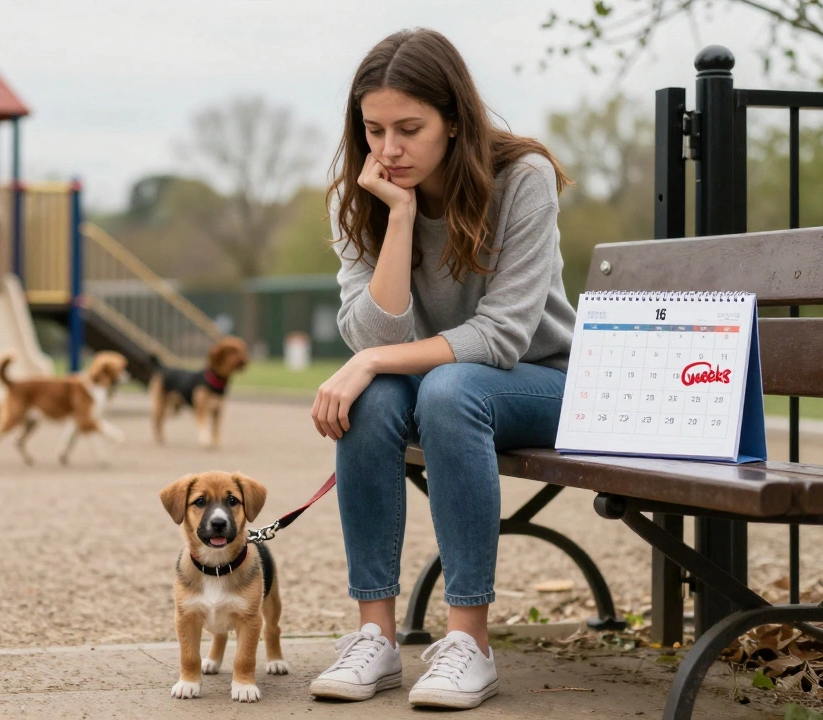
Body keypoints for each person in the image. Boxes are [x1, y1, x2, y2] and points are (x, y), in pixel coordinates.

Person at [306, 29, 575, 710]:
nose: (389, 150)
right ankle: (376, 637)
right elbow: (378, 331)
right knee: (371, 401)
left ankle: (468, 643)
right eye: (374, 130)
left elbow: (503, 335)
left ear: (453, 121)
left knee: (445, 388)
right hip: (442, 384)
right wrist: (397, 220)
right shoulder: (360, 196)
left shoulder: (523, 179)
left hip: (544, 382)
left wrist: (369, 360)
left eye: (410, 129)